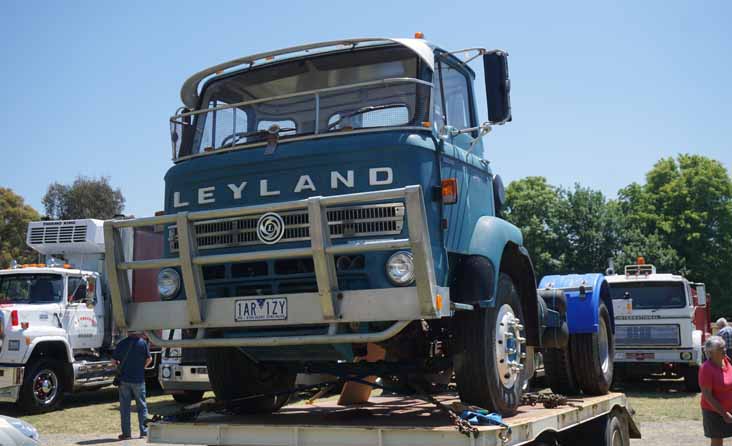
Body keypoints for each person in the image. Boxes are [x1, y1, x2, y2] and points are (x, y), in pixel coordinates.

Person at [112, 332, 152, 440]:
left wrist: (120, 368)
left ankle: (126, 434)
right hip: (139, 380)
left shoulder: (121, 344)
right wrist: (142, 368)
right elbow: (149, 359)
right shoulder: (142, 343)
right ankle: (144, 432)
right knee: (142, 407)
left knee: (125, 408)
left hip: (124, 380)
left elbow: (114, 361)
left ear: (128, 332)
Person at [700, 336, 732, 446]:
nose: (724, 350)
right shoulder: (706, 368)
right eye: (720, 348)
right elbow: (707, 395)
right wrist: (724, 414)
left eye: (724, 347)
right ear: (711, 352)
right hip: (714, 411)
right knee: (717, 440)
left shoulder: (727, 361)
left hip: (730, 407)